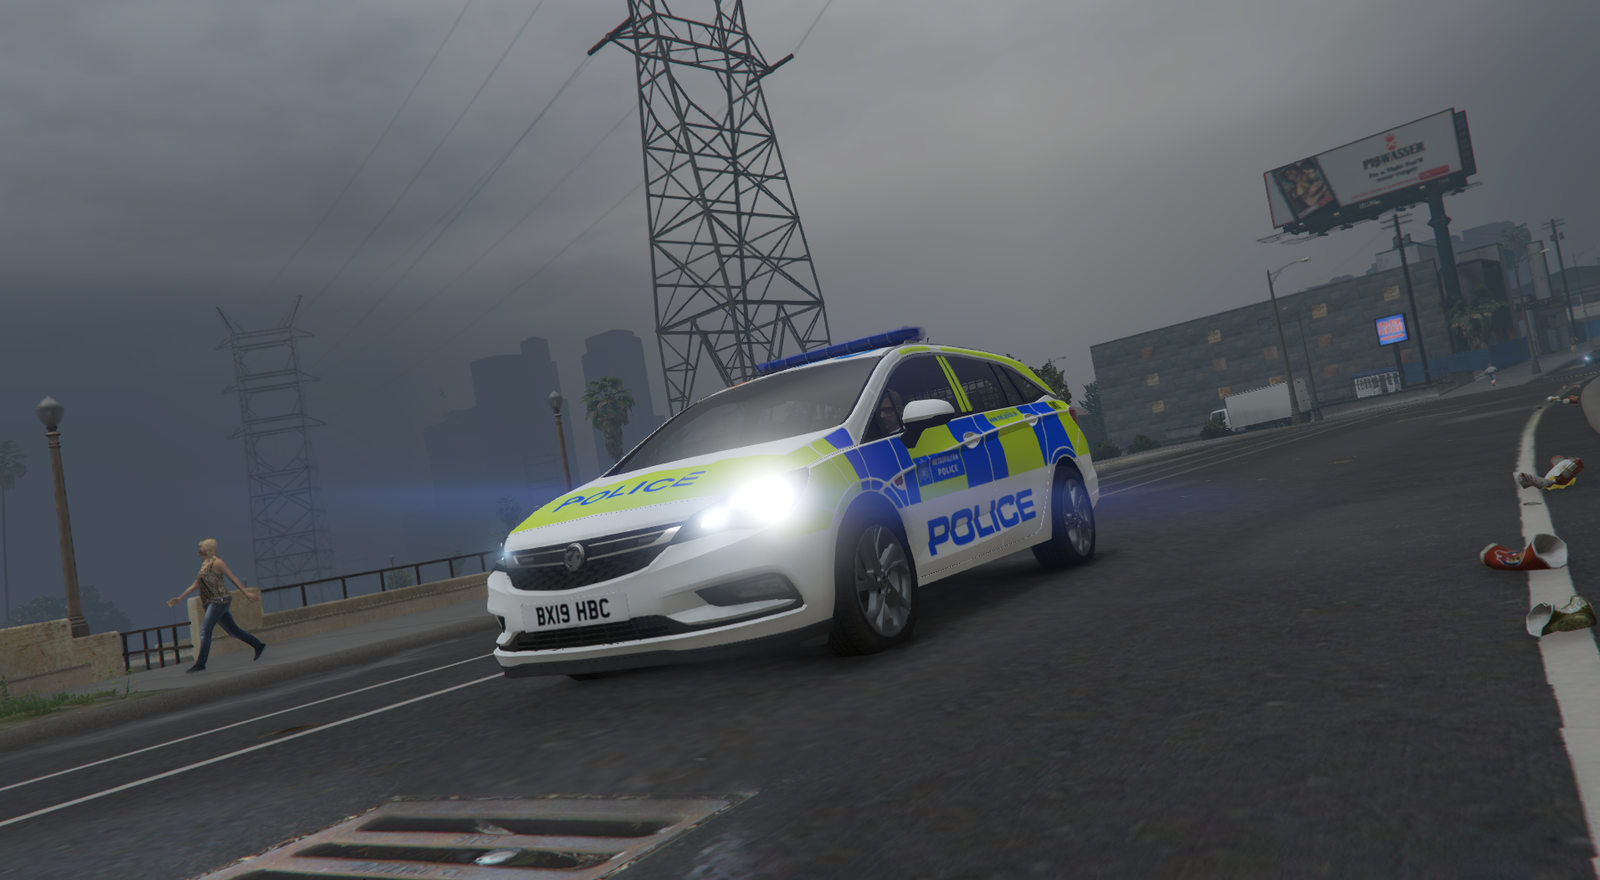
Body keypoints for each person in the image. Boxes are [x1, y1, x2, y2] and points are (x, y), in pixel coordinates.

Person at [169, 538, 265, 672]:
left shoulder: (217, 562)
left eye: (202, 547)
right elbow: (195, 585)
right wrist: (179, 598)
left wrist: (246, 593)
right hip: (209, 602)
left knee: (205, 630)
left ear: (208, 548)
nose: (199, 549)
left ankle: (201, 663)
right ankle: (258, 645)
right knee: (233, 630)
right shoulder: (204, 565)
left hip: (219, 600)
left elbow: (232, 577)